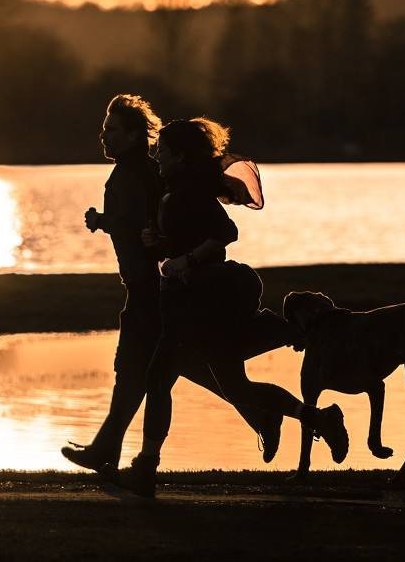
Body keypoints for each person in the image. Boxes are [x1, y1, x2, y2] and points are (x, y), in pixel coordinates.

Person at [117, 118, 349, 498]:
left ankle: (145, 469)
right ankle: (320, 417)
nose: (156, 156)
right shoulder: (174, 191)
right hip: (186, 306)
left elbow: (226, 234)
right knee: (225, 385)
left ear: (179, 156)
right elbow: (179, 244)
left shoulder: (190, 193)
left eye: (162, 151)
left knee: (165, 380)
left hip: (202, 306)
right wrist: (157, 243)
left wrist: (187, 261)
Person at [62, 96, 288, 476]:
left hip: (153, 289)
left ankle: (119, 453)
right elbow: (146, 223)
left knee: (147, 369)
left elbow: (159, 224)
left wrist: (161, 247)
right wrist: (106, 222)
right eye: (105, 129)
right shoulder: (139, 172)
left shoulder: (142, 174)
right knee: (162, 368)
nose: (105, 136)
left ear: (135, 136)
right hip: (147, 286)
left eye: (113, 130)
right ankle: (111, 449)